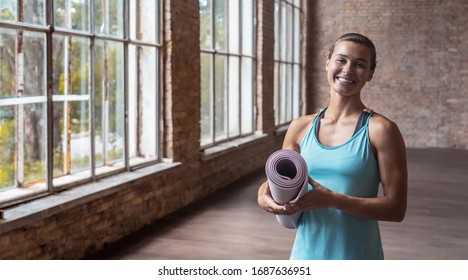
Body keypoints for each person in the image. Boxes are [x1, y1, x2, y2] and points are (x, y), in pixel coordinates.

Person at [257, 33, 408, 260]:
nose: (347, 70)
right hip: (305, 255)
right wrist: (263, 197)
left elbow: (396, 209)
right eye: (341, 60)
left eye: (359, 64)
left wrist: (332, 199)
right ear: (327, 62)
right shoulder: (300, 127)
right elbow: (279, 181)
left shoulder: (381, 130)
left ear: (370, 74)